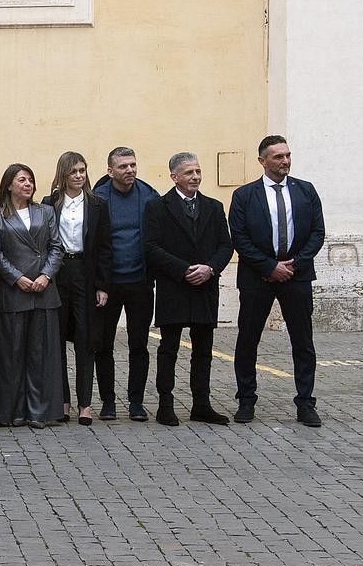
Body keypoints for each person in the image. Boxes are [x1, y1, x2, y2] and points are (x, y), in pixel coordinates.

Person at [230, 135, 324, 427]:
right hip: (258, 277)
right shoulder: (245, 195)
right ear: (262, 161)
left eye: (287, 155)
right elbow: (240, 237)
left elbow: (317, 233)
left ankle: (305, 403)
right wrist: (270, 266)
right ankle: (246, 400)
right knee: (248, 339)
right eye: (277, 157)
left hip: (297, 276)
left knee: (303, 341)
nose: (285, 161)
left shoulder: (305, 191)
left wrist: (294, 264)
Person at [143, 152, 233, 427]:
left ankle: (201, 405)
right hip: (175, 286)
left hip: (205, 287)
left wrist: (210, 268)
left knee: (203, 349)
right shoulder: (157, 207)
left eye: (197, 171)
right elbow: (150, 247)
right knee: (169, 348)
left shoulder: (214, 207)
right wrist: (183, 270)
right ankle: (165, 404)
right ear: (174, 177)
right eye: (188, 173)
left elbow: (225, 246)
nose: (195, 177)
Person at [0, 163, 65, 429]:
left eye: (30, 179)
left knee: (41, 354)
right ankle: (11, 411)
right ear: (9, 185)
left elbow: (56, 246)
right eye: (22, 180)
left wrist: (46, 276)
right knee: (11, 355)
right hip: (13, 292)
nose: (28, 184)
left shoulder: (46, 211)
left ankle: (38, 411)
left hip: (44, 291)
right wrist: (17, 277)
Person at [90, 147, 161, 421]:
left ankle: (136, 403)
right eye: (123, 167)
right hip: (108, 285)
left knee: (139, 345)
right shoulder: (98, 198)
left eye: (132, 165)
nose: (129, 170)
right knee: (104, 345)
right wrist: (99, 283)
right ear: (110, 171)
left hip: (140, 282)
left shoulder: (148, 196)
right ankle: (108, 402)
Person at [44, 152, 112, 426]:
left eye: (82, 170)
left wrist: (102, 285)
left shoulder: (97, 204)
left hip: (85, 271)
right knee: (57, 337)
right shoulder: (51, 204)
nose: (79, 175)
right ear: (63, 174)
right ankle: (63, 401)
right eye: (73, 171)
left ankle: (85, 403)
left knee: (86, 339)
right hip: (59, 272)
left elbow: (105, 247)